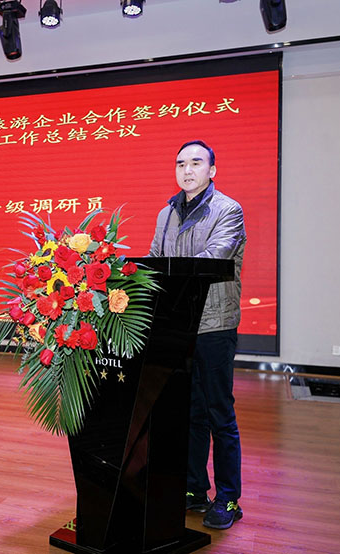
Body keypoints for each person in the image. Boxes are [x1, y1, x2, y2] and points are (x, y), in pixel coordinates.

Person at [148, 139, 246, 530]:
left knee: (220, 413)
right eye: (180, 164)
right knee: (189, 412)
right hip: (178, 327)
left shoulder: (228, 210)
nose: (187, 170)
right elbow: (154, 261)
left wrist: (166, 274)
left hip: (214, 326)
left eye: (195, 163)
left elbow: (212, 260)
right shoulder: (166, 213)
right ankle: (193, 488)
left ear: (212, 170)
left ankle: (229, 498)